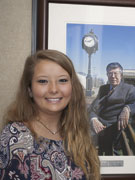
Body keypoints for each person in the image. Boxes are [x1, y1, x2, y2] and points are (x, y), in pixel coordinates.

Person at [0, 50, 100, 180]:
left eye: (62, 80)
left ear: (72, 87)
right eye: (43, 81)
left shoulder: (77, 131)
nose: (53, 89)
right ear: (29, 89)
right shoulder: (15, 136)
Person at [89, 62, 135, 155]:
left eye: (115, 73)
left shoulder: (128, 89)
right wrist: (93, 118)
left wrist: (127, 108)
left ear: (121, 75)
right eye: (110, 73)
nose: (112, 76)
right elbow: (92, 108)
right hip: (96, 127)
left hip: (112, 130)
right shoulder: (103, 88)